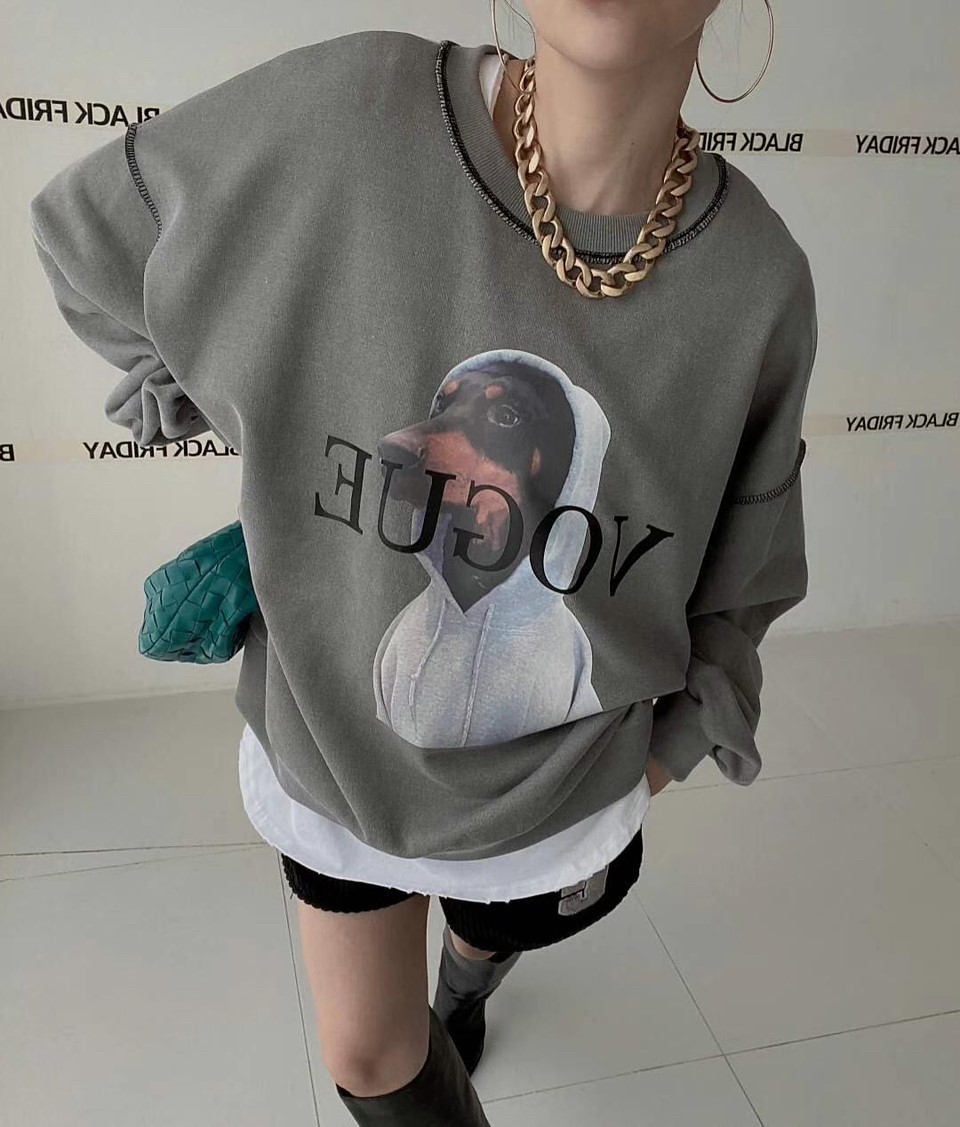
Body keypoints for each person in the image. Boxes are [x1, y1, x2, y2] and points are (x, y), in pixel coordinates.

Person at [28, 0, 816, 1122]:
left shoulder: (756, 282)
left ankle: (472, 975)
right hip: (331, 751)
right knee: (366, 1051)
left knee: (485, 937)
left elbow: (745, 578)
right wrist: (250, 436)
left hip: (561, 802)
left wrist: (658, 756)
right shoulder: (351, 113)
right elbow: (93, 236)